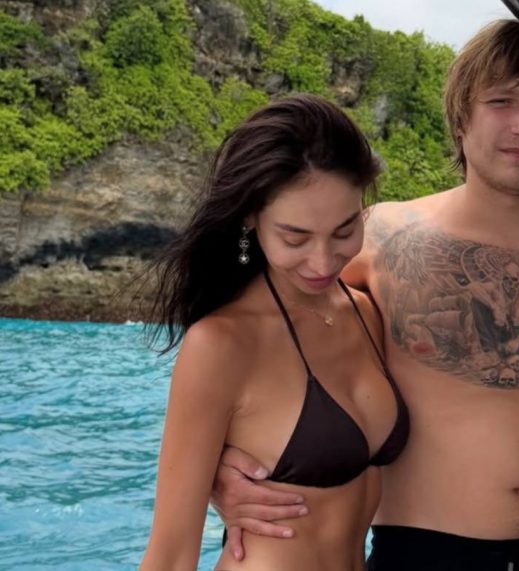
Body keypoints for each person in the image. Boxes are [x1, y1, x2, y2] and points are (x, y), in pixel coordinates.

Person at [211, 20, 519, 571]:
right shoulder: (377, 241)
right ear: (460, 116)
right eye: (502, 101)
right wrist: (216, 471)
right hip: (420, 554)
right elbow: (246, 347)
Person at [139, 94, 409, 571]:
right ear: (251, 218)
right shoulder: (221, 344)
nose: (323, 262)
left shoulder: (365, 312)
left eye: (345, 230)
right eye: (294, 237)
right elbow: (170, 555)